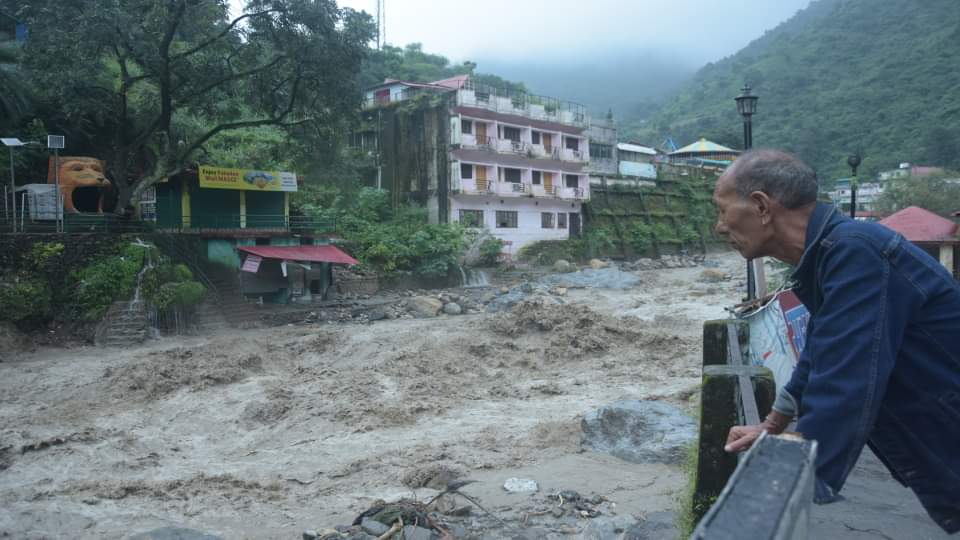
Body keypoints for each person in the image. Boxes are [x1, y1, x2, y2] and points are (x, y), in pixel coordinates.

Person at [714, 149, 960, 534]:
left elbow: (849, 373)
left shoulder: (855, 250)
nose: (720, 226)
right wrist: (774, 423)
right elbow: (822, 348)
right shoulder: (834, 252)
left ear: (761, 206)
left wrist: (792, 475)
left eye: (722, 210)